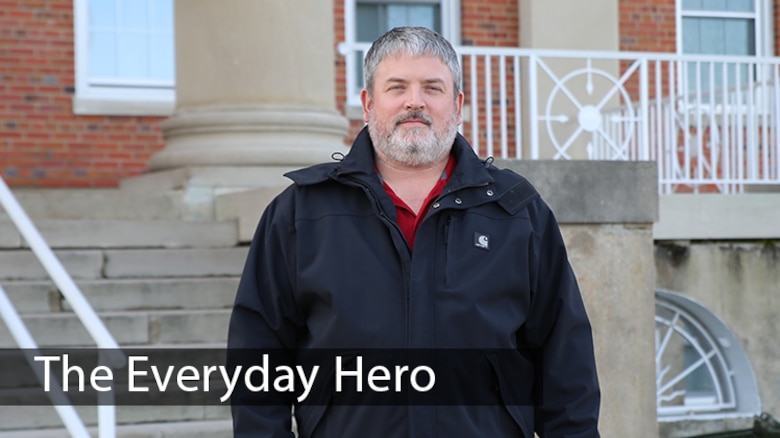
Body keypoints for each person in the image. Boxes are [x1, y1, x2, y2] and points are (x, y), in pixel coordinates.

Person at [228, 26, 600, 437]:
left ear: (456, 106)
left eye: (432, 88)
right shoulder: (300, 213)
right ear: (368, 103)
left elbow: (567, 364)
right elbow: (256, 362)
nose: (414, 102)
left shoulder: (517, 213)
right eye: (397, 87)